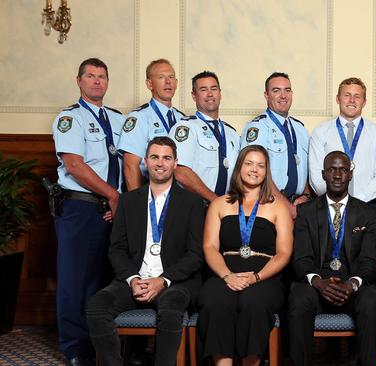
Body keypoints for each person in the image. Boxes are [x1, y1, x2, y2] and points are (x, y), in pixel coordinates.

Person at [86, 136, 204, 366]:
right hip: (134, 279)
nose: (160, 163)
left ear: (175, 163)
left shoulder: (192, 203)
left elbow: (195, 255)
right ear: (146, 162)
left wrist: (163, 280)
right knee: (97, 307)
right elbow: (116, 249)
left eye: (166, 158)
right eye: (154, 157)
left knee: (171, 310)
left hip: (175, 282)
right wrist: (132, 279)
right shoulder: (129, 201)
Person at [51, 57, 124, 366]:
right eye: (91, 76)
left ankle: (103, 345)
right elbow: (74, 165)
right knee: (75, 280)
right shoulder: (70, 119)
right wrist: (112, 196)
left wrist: (121, 203)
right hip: (80, 209)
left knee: (106, 279)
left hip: (112, 209)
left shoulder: (120, 120)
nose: (97, 81)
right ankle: (76, 349)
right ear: (78, 81)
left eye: (102, 76)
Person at [198, 145, 293, 365]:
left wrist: (256, 277)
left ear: (266, 171)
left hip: (264, 277)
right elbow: (210, 247)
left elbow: (284, 252)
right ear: (239, 166)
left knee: (254, 302)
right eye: (249, 163)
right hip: (224, 272)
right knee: (215, 300)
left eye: (260, 165)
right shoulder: (219, 203)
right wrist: (226, 276)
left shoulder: (278, 207)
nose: (254, 169)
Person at [289, 151, 376, 366]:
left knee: (372, 300)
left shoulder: (368, 212)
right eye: (332, 169)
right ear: (323, 175)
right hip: (318, 285)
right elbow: (301, 259)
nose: (338, 175)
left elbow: (370, 261)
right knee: (298, 298)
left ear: (350, 175)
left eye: (343, 170)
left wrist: (352, 284)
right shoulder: (306, 211)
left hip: (352, 284)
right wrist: (318, 283)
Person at [309, 77, 376, 203]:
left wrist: (357, 203)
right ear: (338, 99)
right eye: (347, 95)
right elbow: (316, 174)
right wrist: (335, 200)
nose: (352, 100)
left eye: (357, 96)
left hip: (366, 205)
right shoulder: (320, 132)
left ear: (364, 102)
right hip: (329, 205)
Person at [240, 72, 310, 209]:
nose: (283, 96)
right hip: (268, 204)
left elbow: (307, 169)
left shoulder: (300, 128)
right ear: (266, 95)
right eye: (276, 90)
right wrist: (284, 205)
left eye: (287, 90)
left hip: (300, 205)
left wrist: (306, 196)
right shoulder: (257, 128)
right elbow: (253, 173)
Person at [171, 71, 240, 202]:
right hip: (196, 207)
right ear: (194, 95)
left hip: (228, 208)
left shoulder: (232, 133)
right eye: (203, 89)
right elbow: (180, 172)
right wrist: (215, 201)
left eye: (214, 89)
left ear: (220, 93)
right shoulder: (186, 128)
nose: (210, 94)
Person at [118, 59, 186, 191]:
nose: (168, 82)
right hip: (150, 190)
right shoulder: (139, 117)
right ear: (150, 84)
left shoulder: (182, 120)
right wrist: (138, 204)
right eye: (161, 77)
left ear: (176, 83)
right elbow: (130, 166)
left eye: (171, 77)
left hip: (179, 195)